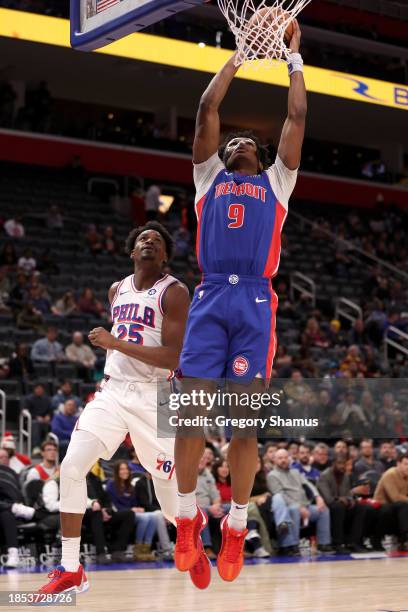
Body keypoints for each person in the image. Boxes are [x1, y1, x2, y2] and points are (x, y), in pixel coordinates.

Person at [174, 20, 306, 584]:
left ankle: (233, 527)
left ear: (261, 151)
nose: (235, 141)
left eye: (244, 140)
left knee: (245, 426)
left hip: (255, 301)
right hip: (209, 296)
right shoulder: (207, 178)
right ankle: (185, 522)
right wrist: (238, 58)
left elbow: (297, 117)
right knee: (191, 415)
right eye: (231, 141)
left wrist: (292, 61)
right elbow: (207, 109)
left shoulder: (278, 182)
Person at [36, 221, 200, 595]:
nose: (149, 243)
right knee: (72, 466)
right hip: (112, 392)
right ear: (132, 251)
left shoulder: (174, 292)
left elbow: (173, 357)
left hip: (155, 395)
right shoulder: (116, 290)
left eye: (157, 242)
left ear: (164, 257)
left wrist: (116, 343)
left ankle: (191, 525)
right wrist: (117, 348)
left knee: (168, 495)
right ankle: (71, 568)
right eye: (143, 239)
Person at [268, 449, 333, 556]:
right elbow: (279, 495)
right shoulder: (272, 475)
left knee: (323, 510)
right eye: (280, 458)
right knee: (294, 509)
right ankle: (291, 546)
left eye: (285, 457)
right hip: (288, 507)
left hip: (305, 505)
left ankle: (323, 544)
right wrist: (299, 507)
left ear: (289, 459)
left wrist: (318, 497)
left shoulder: (295, 472)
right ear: (274, 460)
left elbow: (309, 485)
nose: (283, 460)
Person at [106, 461, 158, 562]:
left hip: (132, 514)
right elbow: (113, 506)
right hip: (118, 514)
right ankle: (137, 548)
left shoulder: (130, 486)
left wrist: (138, 508)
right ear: (117, 471)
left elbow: (135, 503)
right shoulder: (111, 485)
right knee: (145, 517)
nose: (124, 471)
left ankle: (146, 547)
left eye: (126, 469)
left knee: (154, 516)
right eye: (121, 469)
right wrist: (131, 509)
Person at [317, 453, 369, 553]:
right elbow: (328, 499)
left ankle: (353, 542)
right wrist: (341, 499)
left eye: (344, 464)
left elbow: (348, 494)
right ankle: (337, 544)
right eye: (339, 463)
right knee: (338, 507)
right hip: (328, 508)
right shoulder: (324, 476)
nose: (342, 466)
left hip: (342, 505)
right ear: (333, 464)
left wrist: (350, 500)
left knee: (361, 507)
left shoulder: (345, 476)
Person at [0, 448, 36, 568]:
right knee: (8, 510)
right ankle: (13, 507)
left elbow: (18, 493)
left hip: (6, 511)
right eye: (0, 457)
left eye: (5, 457)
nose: (2, 460)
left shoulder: (13, 474)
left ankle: (13, 555)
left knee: (6, 513)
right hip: (9, 507)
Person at [374, 450, 408, 552]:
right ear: (398, 464)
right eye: (406, 464)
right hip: (381, 506)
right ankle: (405, 538)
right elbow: (395, 497)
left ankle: (403, 540)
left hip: (399, 508)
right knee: (403, 506)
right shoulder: (390, 474)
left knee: (404, 506)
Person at [23, 383, 54, 451]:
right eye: (38, 388)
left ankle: (51, 447)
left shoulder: (47, 399)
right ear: (34, 389)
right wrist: (36, 417)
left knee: (54, 423)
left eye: (41, 389)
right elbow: (25, 411)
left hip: (45, 420)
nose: (39, 390)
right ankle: (36, 447)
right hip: (32, 420)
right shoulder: (28, 399)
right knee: (35, 424)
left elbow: (51, 410)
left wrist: (48, 416)